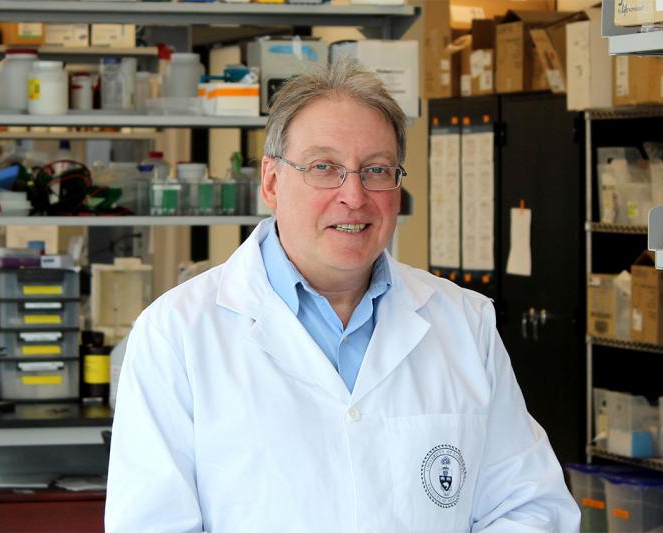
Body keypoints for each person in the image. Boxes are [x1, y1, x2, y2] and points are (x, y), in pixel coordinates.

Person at [105, 59, 580, 533]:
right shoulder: (177, 334)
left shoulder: (463, 322)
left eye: (376, 170)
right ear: (271, 181)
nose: (353, 195)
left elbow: (530, 507)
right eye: (324, 167)